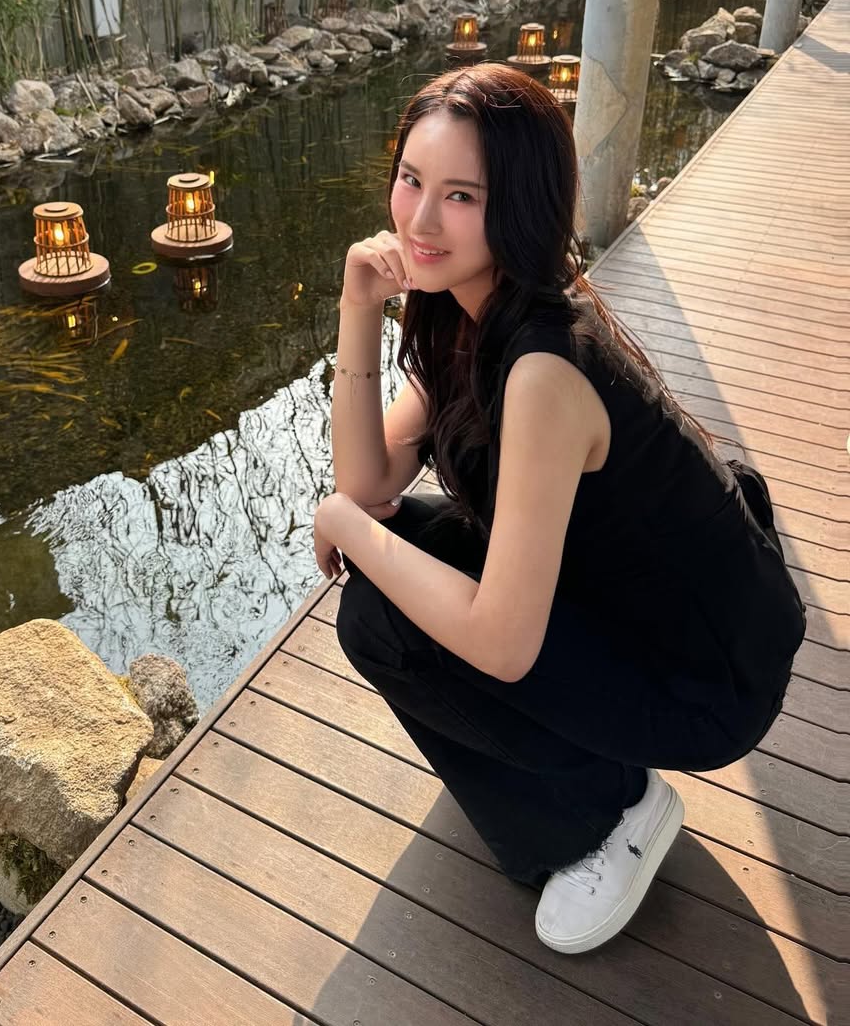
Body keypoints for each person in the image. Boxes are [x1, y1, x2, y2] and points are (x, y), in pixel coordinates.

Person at [313, 62, 807, 955]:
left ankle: (612, 810)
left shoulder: (544, 364)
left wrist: (346, 524)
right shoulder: (470, 312)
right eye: (412, 180)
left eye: (461, 196)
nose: (420, 221)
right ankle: (565, 762)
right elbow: (369, 482)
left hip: (705, 677)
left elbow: (498, 639)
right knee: (388, 584)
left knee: (384, 620)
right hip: (630, 603)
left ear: (521, 205)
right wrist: (357, 306)